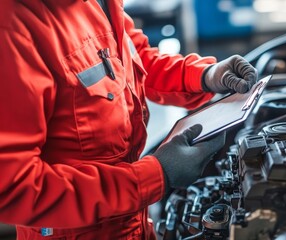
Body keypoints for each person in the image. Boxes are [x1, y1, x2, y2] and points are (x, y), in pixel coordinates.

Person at [0, 0, 257, 239]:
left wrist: (204, 75)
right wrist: (155, 175)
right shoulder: (12, 27)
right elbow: (12, 189)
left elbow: (133, 60)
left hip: (134, 223)